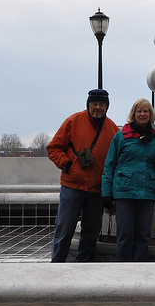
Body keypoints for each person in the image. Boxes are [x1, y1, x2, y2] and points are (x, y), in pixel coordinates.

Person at [47, 89, 119, 262]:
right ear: (88, 105)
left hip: (96, 190)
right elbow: (53, 148)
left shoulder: (113, 130)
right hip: (72, 186)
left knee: (91, 233)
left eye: (102, 104)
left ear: (107, 107)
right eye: (94, 104)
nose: (98, 108)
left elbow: (117, 161)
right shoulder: (73, 121)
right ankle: (56, 266)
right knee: (64, 230)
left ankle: (83, 267)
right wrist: (66, 164)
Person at [101, 98, 155, 261]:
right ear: (133, 114)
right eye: (139, 111)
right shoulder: (120, 136)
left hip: (148, 192)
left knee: (143, 235)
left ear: (150, 115)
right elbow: (109, 165)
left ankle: (140, 269)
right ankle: (123, 270)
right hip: (125, 192)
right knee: (125, 234)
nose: (143, 114)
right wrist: (106, 193)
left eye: (146, 111)